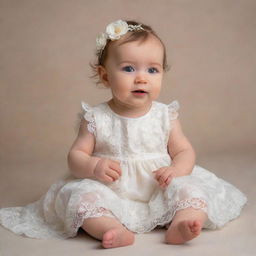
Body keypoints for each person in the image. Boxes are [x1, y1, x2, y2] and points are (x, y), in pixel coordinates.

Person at [0, 19, 247, 249]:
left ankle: (182, 223)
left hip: (158, 186)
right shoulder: (96, 117)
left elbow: (184, 150)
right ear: (105, 76)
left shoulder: (164, 115)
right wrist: (94, 166)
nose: (141, 78)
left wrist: (177, 170)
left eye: (153, 70)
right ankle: (111, 228)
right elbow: (76, 156)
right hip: (111, 190)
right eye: (129, 68)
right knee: (81, 197)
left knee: (192, 190)